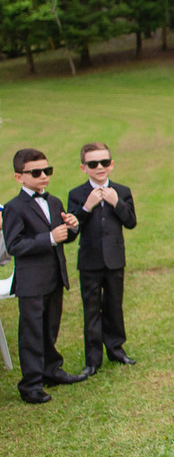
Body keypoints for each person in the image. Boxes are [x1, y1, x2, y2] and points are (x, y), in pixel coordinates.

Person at [2, 148, 86, 404]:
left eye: (47, 171)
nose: (43, 176)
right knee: (31, 332)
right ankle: (30, 384)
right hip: (30, 280)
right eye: (36, 172)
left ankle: (51, 370)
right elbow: (15, 245)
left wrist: (73, 228)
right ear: (19, 177)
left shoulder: (53, 202)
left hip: (54, 275)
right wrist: (48, 238)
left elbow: (64, 236)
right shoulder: (15, 208)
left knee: (50, 326)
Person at [66, 142, 138, 376]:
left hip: (115, 259)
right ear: (83, 167)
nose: (100, 167)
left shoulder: (122, 191)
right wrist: (87, 207)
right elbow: (73, 230)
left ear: (111, 164)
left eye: (104, 162)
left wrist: (116, 202)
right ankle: (93, 358)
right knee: (91, 308)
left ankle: (116, 349)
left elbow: (130, 222)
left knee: (114, 306)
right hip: (90, 261)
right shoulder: (77, 194)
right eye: (93, 164)